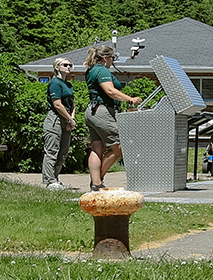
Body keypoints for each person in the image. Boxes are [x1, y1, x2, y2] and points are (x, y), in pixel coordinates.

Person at [83, 45, 140, 192]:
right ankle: (97, 181)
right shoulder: (101, 70)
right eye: (112, 58)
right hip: (102, 111)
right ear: (105, 57)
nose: (113, 60)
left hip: (92, 111)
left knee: (97, 148)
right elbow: (110, 91)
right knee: (118, 147)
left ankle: (96, 184)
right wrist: (130, 99)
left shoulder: (91, 70)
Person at [42, 58, 78, 190]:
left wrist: (71, 120)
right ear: (57, 67)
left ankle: (55, 178)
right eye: (65, 65)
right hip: (55, 119)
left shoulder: (68, 85)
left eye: (70, 65)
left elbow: (72, 104)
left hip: (67, 120)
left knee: (63, 152)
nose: (68, 67)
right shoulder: (55, 84)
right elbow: (57, 104)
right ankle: (49, 181)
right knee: (52, 150)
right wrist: (69, 118)